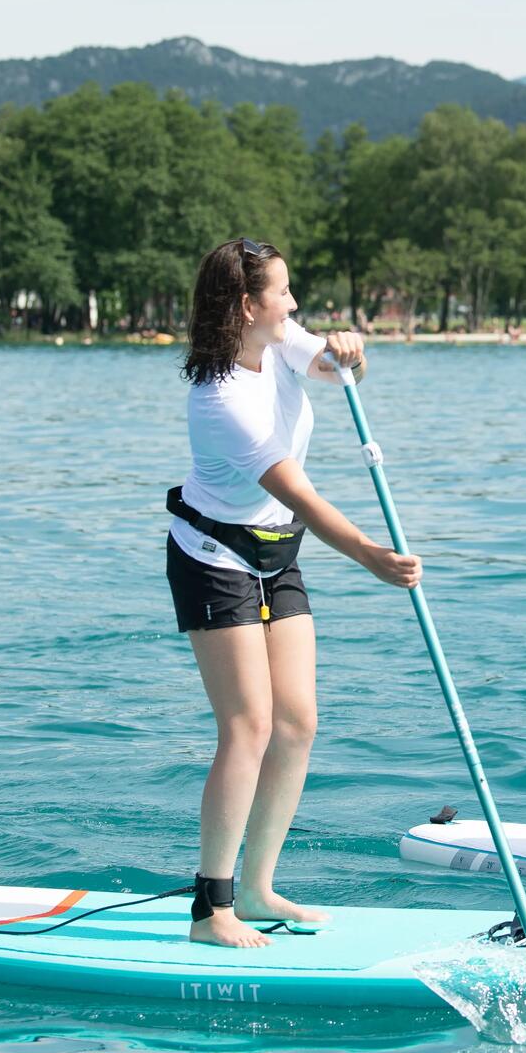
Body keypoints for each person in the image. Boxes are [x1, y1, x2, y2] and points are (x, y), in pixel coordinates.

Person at [168, 237, 421, 947]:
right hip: (215, 557)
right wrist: (371, 554)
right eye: (283, 292)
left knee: (298, 722)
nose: (294, 303)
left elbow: (338, 364)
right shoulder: (219, 400)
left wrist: (352, 348)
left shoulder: (277, 342)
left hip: (279, 555)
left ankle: (255, 887)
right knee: (247, 725)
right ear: (248, 306)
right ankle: (209, 908)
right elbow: (301, 494)